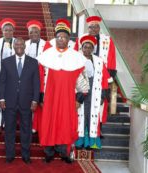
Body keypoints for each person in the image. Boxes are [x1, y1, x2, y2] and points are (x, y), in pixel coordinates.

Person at [37, 22, 88, 164]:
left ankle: (63, 152)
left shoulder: (76, 57)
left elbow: (83, 82)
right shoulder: (46, 56)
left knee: (64, 124)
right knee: (49, 123)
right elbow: (40, 78)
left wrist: (79, 99)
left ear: (68, 40)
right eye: (59, 37)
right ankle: (48, 152)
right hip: (50, 98)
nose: (61, 39)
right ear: (55, 38)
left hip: (67, 99)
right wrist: (40, 95)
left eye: (64, 37)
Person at [0, 38, 40, 164]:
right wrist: (2, 98)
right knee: (9, 130)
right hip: (9, 101)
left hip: (26, 102)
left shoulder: (33, 62)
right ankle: (9, 155)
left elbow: (36, 83)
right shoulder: (6, 62)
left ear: (25, 46)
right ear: (13, 46)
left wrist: (35, 100)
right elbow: (2, 82)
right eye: (17, 44)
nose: (19, 46)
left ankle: (26, 155)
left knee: (26, 130)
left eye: (22, 44)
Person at [76, 35, 110, 150]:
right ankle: (80, 142)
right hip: (80, 94)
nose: (87, 49)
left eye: (90, 47)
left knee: (93, 118)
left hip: (94, 94)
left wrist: (102, 96)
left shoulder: (99, 62)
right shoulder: (77, 59)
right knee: (81, 118)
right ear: (82, 48)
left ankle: (92, 143)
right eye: (85, 47)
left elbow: (105, 80)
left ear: (93, 49)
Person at [74, 16, 116, 83]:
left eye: (96, 27)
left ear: (99, 28)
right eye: (91, 27)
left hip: (102, 70)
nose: (93, 29)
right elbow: (75, 55)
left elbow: (112, 57)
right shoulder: (80, 39)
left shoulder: (107, 40)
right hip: (84, 70)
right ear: (88, 28)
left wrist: (110, 73)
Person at [0, 18, 16, 133]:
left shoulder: (18, 42)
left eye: (10, 30)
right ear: (2, 31)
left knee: (9, 100)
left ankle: (8, 123)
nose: (8, 32)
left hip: (12, 76)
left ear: (13, 31)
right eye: (6, 30)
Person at [24, 20, 46, 134]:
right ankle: (28, 124)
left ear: (40, 33)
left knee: (38, 101)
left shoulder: (46, 45)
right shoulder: (24, 44)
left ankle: (37, 126)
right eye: (31, 32)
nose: (33, 34)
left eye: (36, 32)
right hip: (27, 78)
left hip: (41, 77)